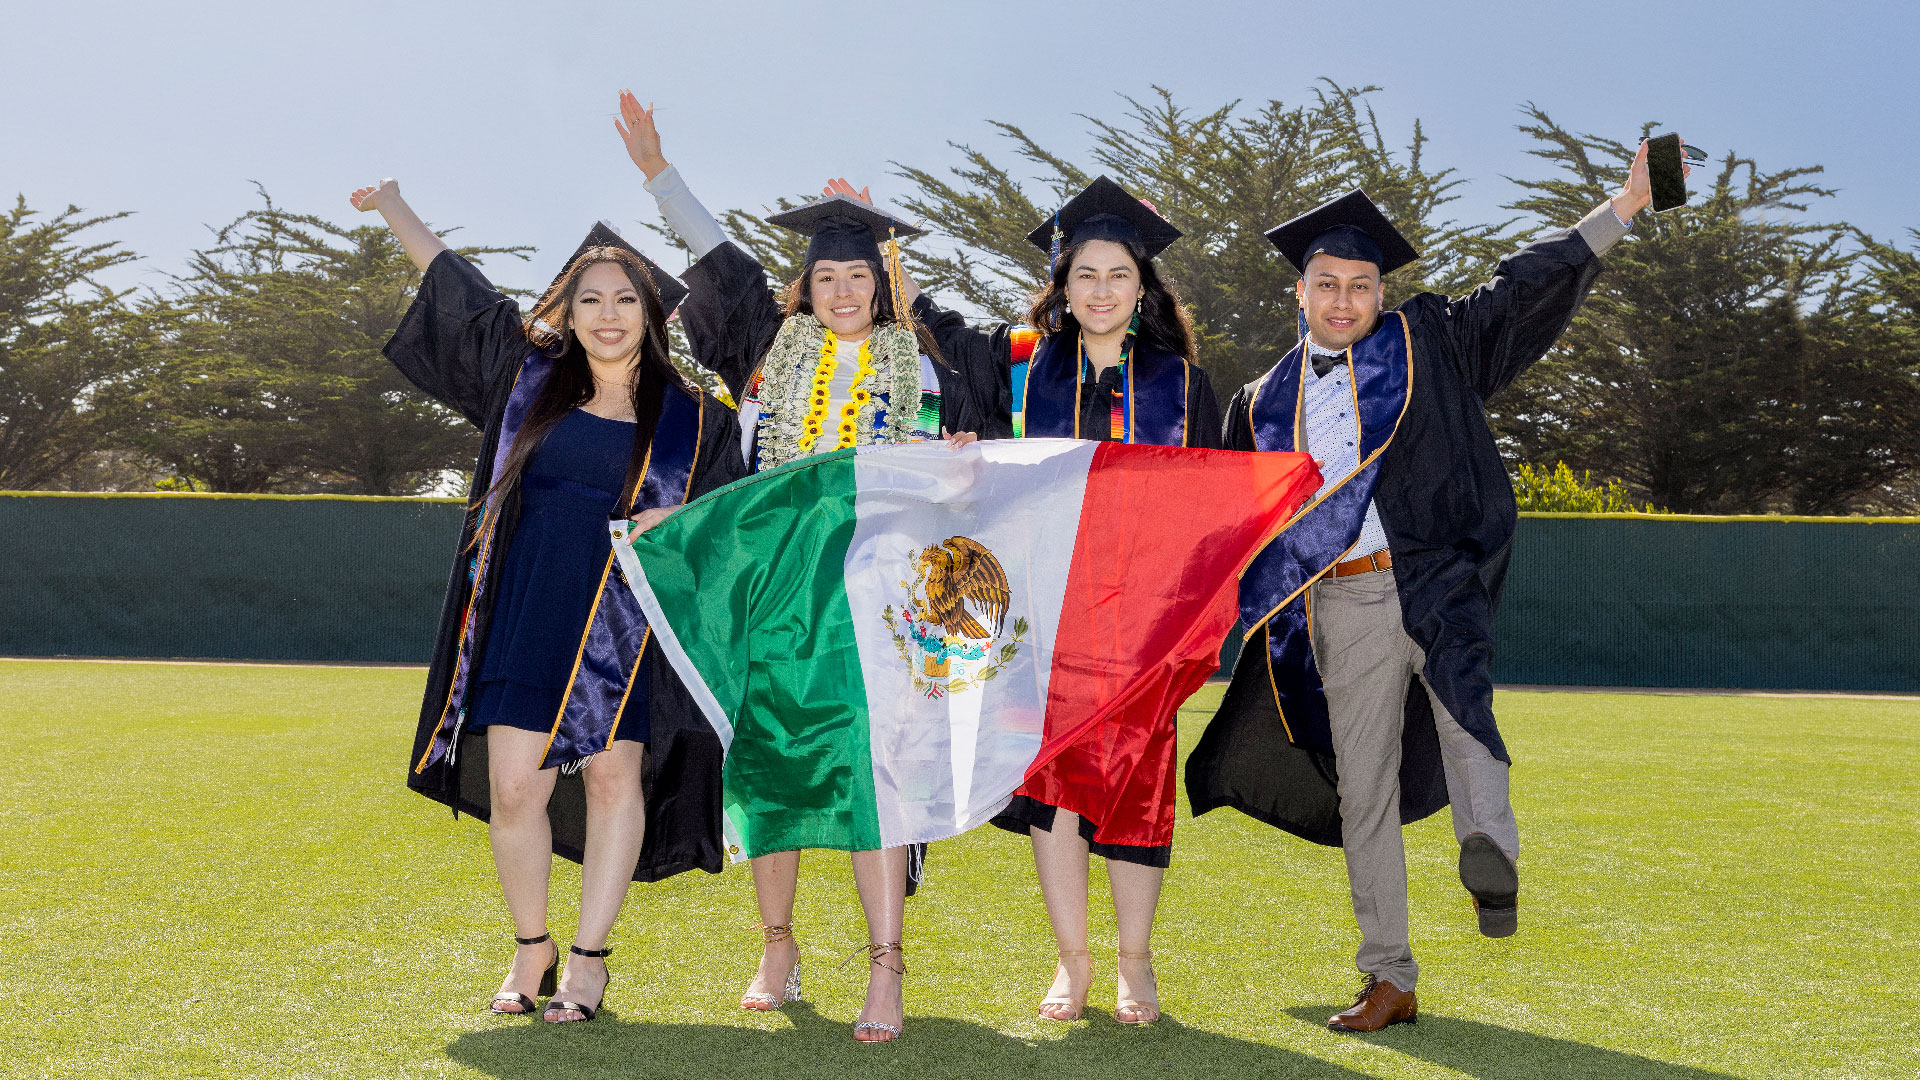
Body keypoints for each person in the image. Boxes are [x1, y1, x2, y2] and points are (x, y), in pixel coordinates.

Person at [1186, 137, 1685, 1032]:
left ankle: (1489, 849)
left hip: (1436, 576)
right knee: (1362, 792)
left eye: (1361, 286)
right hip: (1336, 606)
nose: (1345, 301)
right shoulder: (1261, 401)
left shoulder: (1431, 344)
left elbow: (1520, 288)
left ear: (1382, 291)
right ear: (1298, 291)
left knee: (1465, 711)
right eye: (1327, 284)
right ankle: (1389, 977)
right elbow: (1215, 510)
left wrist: (1623, 208)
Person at [614, 92, 996, 1042]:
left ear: (882, 284)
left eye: (856, 276)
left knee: (880, 778)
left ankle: (886, 966)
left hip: (876, 598)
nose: (839, 291)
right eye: (823, 276)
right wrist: (658, 170)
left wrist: (959, 467)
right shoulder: (768, 354)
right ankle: (778, 947)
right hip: (776, 599)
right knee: (774, 769)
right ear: (807, 287)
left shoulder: (927, 368)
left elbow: (949, 488)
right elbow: (714, 259)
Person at [353, 178, 746, 1024]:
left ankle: (590, 958)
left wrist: (683, 516)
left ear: (652, 314)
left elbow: (734, 528)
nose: (607, 314)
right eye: (588, 300)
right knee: (516, 793)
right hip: (529, 613)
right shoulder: (526, 384)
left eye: (624, 300)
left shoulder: (698, 421)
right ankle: (532, 945)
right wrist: (393, 207)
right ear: (564, 313)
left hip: (627, 632)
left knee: (613, 783)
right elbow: (460, 292)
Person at [915, 176, 1223, 1026]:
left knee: (1138, 783)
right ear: (1062, 285)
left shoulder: (1183, 388)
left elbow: (1210, 508)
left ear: (1143, 288)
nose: (1100, 290)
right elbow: (937, 343)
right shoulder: (1020, 371)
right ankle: (1073, 964)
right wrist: (894, 261)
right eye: (1085, 274)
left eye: (1117, 275)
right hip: (1046, 612)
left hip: (1145, 617)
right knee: (1052, 783)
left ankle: (1134, 964)